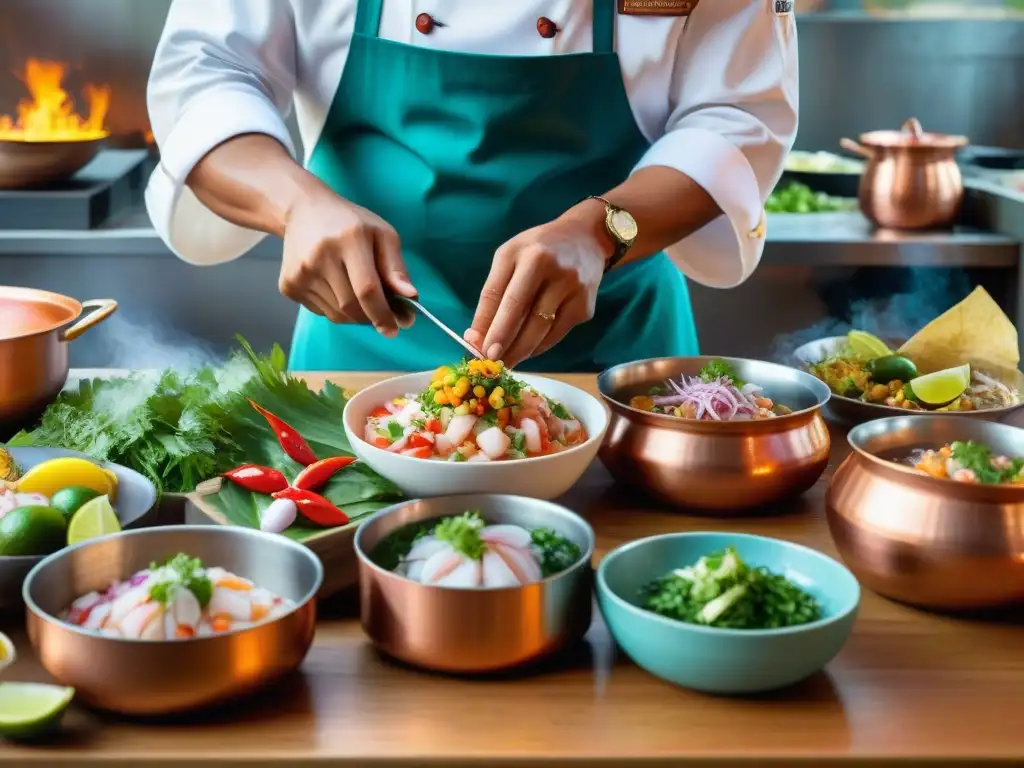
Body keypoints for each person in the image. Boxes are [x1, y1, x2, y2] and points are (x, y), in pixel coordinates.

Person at [146, 0, 797, 372]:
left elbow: (738, 115)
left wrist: (600, 231)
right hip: (358, 354)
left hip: (616, 359)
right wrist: (297, 204)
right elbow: (207, 76)